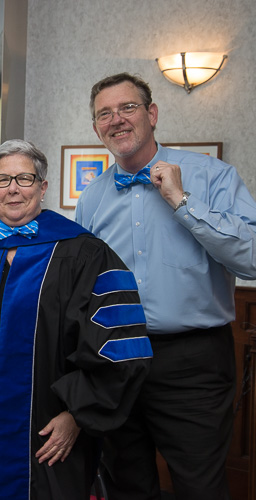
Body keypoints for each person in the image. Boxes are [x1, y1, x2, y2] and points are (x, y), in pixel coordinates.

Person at [76, 72, 256, 500]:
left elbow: (250, 257)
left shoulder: (212, 177)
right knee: (127, 484)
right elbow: (82, 287)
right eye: (105, 113)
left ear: (152, 114)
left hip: (193, 361)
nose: (116, 119)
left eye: (128, 108)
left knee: (200, 487)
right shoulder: (92, 199)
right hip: (116, 358)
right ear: (97, 128)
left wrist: (181, 202)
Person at [0, 139, 152, 500]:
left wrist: (77, 415)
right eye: (2, 179)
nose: (12, 188)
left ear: (43, 187)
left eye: (25, 179)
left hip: (47, 429)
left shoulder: (85, 253)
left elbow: (121, 348)